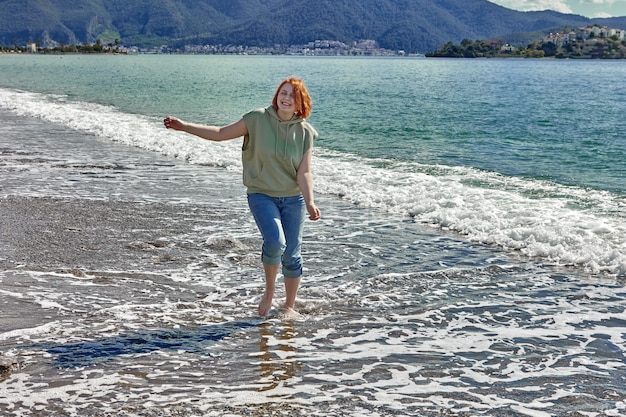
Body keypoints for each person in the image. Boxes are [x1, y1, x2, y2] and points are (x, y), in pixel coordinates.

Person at [163, 77, 321, 318]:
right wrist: (184, 126)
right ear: (277, 96)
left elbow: (304, 172)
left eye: (293, 95)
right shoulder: (257, 119)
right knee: (276, 242)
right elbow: (220, 133)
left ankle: (289, 306)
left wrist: (310, 201)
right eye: (283, 93)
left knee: (292, 253)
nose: (286, 98)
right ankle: (269, 292)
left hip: (293, 199)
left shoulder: (305, 132)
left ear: (301, 103)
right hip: (262, 194)